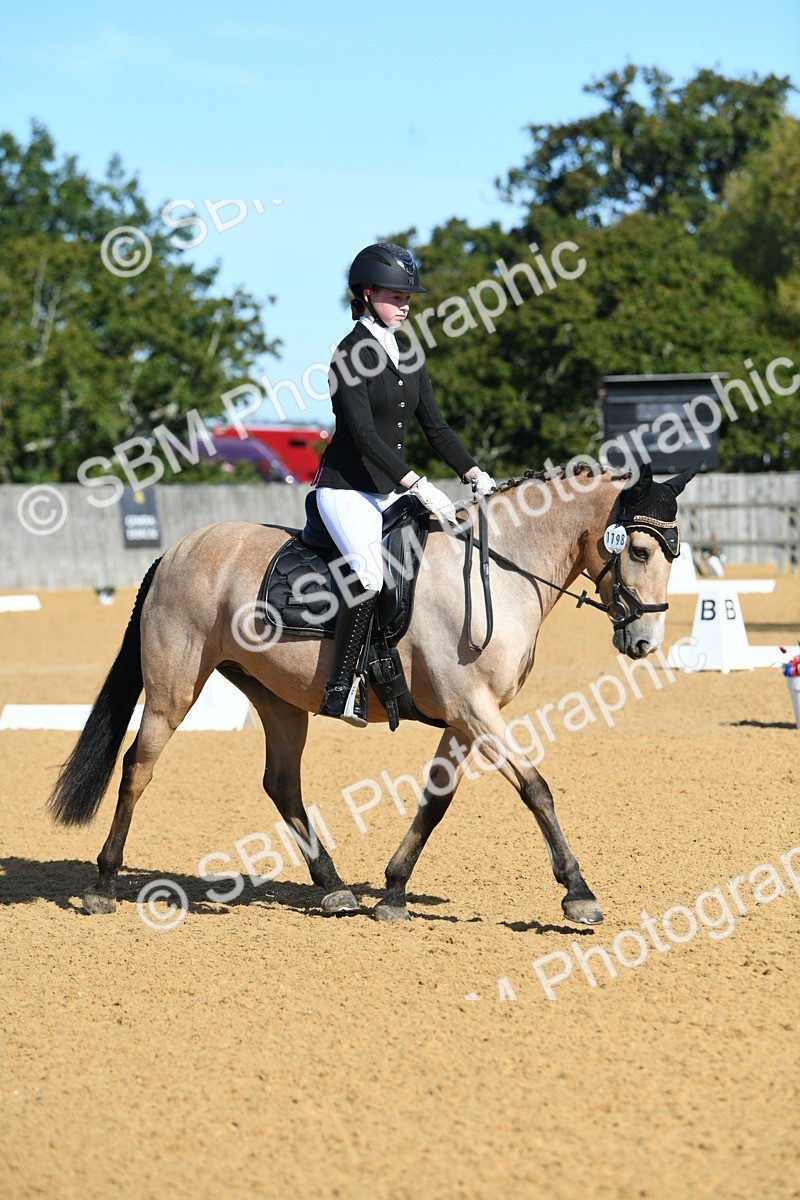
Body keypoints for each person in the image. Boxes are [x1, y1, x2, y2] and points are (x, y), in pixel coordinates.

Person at [313, 241, 495, 725]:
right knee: (370, 576)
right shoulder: (348, 355)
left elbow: (436, 428)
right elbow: (363, 435)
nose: (406, 302)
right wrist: (417, 484)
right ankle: (341, 688)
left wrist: (474, 474)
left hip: (390, 488)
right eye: (396, 295)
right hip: (346, 489)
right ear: (367, 294)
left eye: (408, 295)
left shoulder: (409, 355)